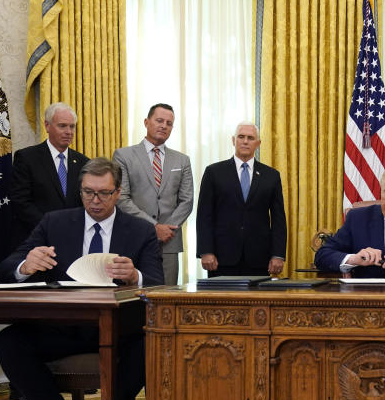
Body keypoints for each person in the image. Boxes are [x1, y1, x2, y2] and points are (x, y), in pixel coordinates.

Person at [0, 158, 163, 400]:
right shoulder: (54, 223)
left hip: (118, 330)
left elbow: (159, 284)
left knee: (150, 345)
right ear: (80, 191)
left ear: (118, 192)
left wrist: (134, 275)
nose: (95, 201)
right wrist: (24, 265)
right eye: (88, 193)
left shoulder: (140, 231)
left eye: (104, 193)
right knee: (7, 343)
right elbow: (6, 267)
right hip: (62, 328)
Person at [113, 103, 193, 284]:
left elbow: (186, 201)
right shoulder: (123, 155)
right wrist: (154, 227)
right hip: (134, 237)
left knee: (167, 298)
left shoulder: (182, 160)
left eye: (169, 123)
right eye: (159, 120)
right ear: (146, 122)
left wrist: (167, 229)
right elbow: (122, 198)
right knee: (133, 296)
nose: (164, 126)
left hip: (169, 242)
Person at [196, 123, 286, 277]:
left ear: (258, 143)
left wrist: (278, 254)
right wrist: (206, 251)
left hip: (259, 259)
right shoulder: (214, 172)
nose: (245, 141)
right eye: (241, 137)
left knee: (256, 302)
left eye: (250, 138)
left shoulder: (271, 175)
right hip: (220, 259)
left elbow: (278, 218)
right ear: (233, 140)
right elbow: (204, 215)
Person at [9, 102, 89, 248]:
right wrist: (51, 226)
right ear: (47, 126)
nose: (68, 132)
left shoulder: (83, 162)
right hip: (37, 239)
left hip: (73, 239)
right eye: (62, 126)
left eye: (72, 126)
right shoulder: (27, 158)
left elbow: (84, 202)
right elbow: (20, 201)